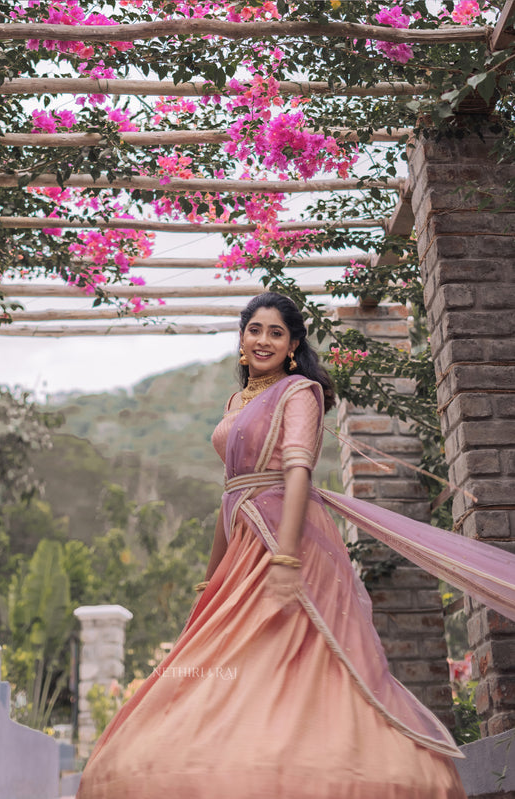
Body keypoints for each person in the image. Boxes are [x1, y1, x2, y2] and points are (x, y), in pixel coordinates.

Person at [77, 293, 515, 799]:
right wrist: (210, 575)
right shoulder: (236, 402)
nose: (263, 340)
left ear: (293, 344)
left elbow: (297, 470)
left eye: (275, 332)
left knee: (299, 653)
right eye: (255, 330)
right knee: (232, 658)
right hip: (244, 539)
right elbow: (231, 491)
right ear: (242, 340)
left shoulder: (298, 391)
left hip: (289, 537)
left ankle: (345, 774)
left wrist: (286, 557)